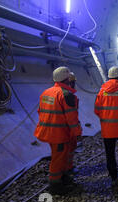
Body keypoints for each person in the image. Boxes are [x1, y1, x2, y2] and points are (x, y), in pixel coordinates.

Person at [34, 66, 82, 195]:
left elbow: (40, 111)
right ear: (66, 79)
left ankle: (64, 177)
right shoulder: (66, 95)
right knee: (58, 158)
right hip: (59, 134)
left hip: (47, 131)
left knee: (60, 155)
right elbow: (72, 118)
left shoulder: (46, 93)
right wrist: (78, 133)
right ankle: (55, 186)